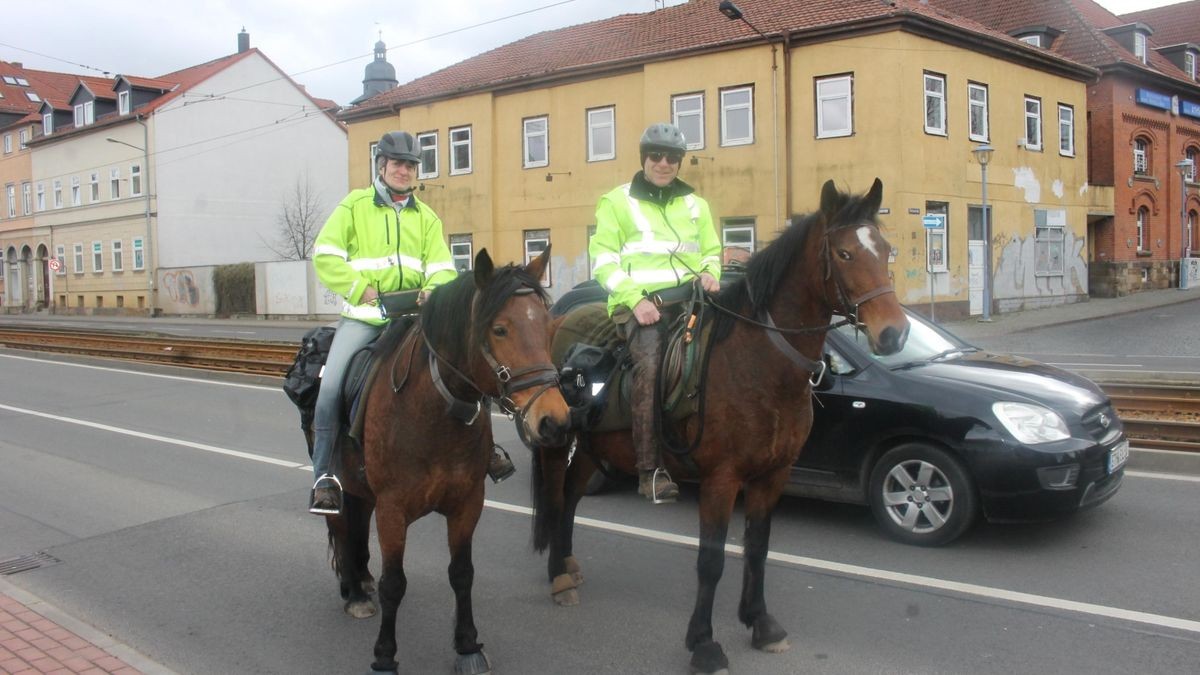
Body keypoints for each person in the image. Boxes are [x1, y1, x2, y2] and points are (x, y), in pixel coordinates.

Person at [307, 131, 513, 515]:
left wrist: (434, 292)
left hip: (417, 319)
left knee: (469, 369)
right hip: (367, 318)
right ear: (382, 166)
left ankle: (487, 451)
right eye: (398, 163)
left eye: (411, 165)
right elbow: (326, 255)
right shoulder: (354, 207)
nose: (404, 170)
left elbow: (441, 268)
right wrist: (362, 289)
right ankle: (325, 477)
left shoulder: (427, 217)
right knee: (331, 389)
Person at [588, 122, 722, 504]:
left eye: (672, 158)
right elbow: (603, 261)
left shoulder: (697, 204)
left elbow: (712, 250)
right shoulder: (617, 201)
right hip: (642, 306)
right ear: (644, 159)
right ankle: (650, 470)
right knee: (650, 366)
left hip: (694, 300)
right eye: (656, 156)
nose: (664, 163)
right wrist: (635, 300)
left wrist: (712, 274)